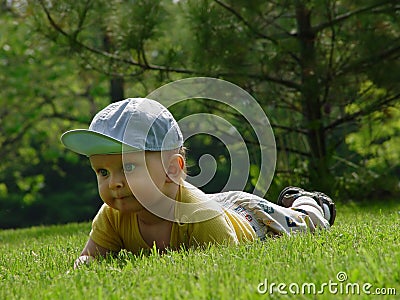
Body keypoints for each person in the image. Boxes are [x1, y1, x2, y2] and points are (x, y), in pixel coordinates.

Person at [61, 98, 336, 269]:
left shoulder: (203, 217)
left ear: (172, 169)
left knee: (302, 223)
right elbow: (90, 257)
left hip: (249, 216)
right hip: (214, 202)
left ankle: (310, 202)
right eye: (103, 172)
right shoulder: (112, 216)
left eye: (129, 167)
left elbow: (228, 267)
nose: (115, 183)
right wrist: (85, 264)